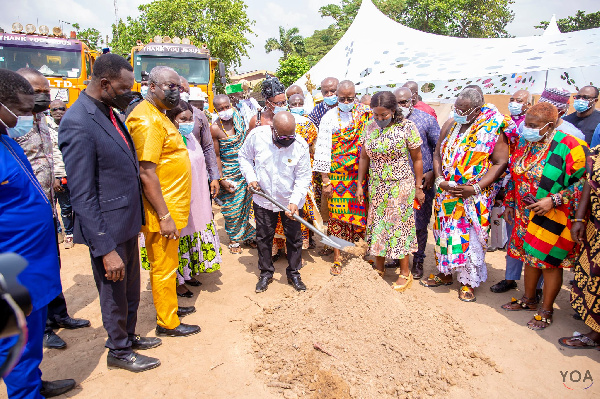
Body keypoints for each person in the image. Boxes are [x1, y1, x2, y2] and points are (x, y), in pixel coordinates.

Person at [60, 54, 161, 372]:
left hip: (126, 223)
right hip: (107, 230)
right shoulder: (78, 122)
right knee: (114, 292)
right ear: (104, 84)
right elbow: (82, 193)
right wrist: (104, 249)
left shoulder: (109, 110)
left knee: (130, 287)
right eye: (123, 88)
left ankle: (128, 337)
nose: (128, 94)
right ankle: (118, 351)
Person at [0, 68, 75, 399]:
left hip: (34, 261)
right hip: (10, 268)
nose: (28, 116)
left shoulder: (5, 141)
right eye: (22, 108)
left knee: (28, 340)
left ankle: (33, 383)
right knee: (14, 340)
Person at [15, 68, 91, 351]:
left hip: (46, 204)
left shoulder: (43, 121)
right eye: (38, 91)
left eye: (47, 91)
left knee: (51, 263)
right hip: (22, 211)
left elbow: (52, 155)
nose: (45, 96)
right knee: (32, 271)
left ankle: (59, 315)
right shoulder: (11, 125)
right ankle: (42, 327)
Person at [126, 65, 201, 338]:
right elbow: (146, 172)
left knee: (169, 265)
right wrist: (164, 215)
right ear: (152, 87)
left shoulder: (159, 115)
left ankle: (169, 307)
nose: (176, 91)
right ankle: (167, 323)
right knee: (163, 266)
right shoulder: (146, 119)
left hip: (172, 207)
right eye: (170, 86)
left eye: (179, 87)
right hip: (162, 211)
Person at [500, 103, 587, 330]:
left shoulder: (570, 146)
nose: (526, 129)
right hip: (523, 214)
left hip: (552, 216)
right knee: (529, 257)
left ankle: (546, 309)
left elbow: (585, 183)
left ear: (549, 125)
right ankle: (528, 300)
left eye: (533, 126)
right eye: (526, 124)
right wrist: (510, 202)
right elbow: (515, 174)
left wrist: (554, 199)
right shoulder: (524, 142)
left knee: (548, 263)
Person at [421, 88, 511, 302]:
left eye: (463, 109)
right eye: (456, 107)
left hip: (473, 197)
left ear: (477, 110)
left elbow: (500, 162)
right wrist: (441, 178)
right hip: (447, 195)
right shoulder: (451, 124)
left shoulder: (493, 129)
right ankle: (445, 274)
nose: (458, 111)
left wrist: (476, 187)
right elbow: (437, 154)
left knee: (469, 239)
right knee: (444, 235)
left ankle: (467, 282)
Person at [138, 100, 222, 298]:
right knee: (175, 239)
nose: (189, 122)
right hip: (174, 200)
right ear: (172, 120)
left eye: (191, 118)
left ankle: (187, 273)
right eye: (183, 119)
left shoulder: (191, 138)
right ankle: (175, 280)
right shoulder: (165, 139)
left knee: (191, 233)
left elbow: (203, 157)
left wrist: (212, 178)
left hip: (196, 197)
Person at [357, 91, 424, 291]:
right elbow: (364, 158)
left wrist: (418, 186)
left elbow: (417, 158)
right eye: (376, 115)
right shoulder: (370, 128)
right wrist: (361, 184)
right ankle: (379, 266)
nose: (379, 119)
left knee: (398, 227)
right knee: (377, 224)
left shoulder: (407, 127)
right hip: (377, 185)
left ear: (393, 111)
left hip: (400, 185)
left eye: (383, 115)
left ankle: (405, 272)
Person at [238, 111, 312, 293]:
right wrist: (251, 178)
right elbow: (244, 157)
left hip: (290, 200)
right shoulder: (256, 136)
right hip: (263, 198)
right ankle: (265, 273)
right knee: (264, 238)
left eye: (290, 137)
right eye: (282, 137)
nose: (287, 141)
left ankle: (294, 273)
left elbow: (303, 178)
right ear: (273, 129)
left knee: (294, 239)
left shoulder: (300, 146)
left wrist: (294, 202)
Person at [314, 80, 372, 275]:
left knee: (359, 217)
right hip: (337, 177)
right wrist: (325, 181)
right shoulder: (329, 117)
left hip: (359, 177)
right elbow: (322, 151)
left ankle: (359, 256)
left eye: (350, 98)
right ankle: (338, 258)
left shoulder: (365, 114)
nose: (346, 101)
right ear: (336, 97)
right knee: (337, 218)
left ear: (355, 95)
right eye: (342, 98)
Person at [392, 87, 440, 279]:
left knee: (419, 223)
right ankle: (397, 258)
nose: (400, 106)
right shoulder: (389, 122)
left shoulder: (426, 119)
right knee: (396, 221)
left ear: (412, 100)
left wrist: (432, 173)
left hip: (421, 182)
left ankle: (418, 260)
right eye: (397, 103)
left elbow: (438, 149)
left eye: (403, 102)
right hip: (396, 182)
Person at [561, 143, 600, 348]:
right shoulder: (598, 152)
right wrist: (579, 219)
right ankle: (596, 332)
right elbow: (589, 182)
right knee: (593, 275)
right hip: (596, 226)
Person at [210, 94, 256, 253]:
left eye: (226, 107)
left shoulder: (239, 119)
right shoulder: (215, 128)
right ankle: (234, 239)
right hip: (228, 172)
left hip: (245, 169)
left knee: (244, 206)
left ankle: (248, 235)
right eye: (220, 109)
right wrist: (220, 178)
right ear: (215, 110)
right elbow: (216, 156)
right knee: (232, 209)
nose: (225, 111)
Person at [47, 100, 74, 249]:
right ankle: (58, 232)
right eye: (54, 109)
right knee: (52, 207)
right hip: (53, 175)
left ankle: (69, 233)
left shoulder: (71, 127)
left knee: (66, 207)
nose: (58, 111)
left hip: (68, 173)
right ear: (50, 112)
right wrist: (54, 178)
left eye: (61, 109)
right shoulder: (45, 129)